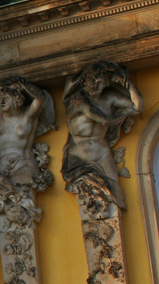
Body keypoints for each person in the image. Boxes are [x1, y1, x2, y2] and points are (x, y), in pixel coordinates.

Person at [61, 62, 142, 209]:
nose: (97, 86)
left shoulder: (109, 98)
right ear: (85, 82)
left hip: (103, 153)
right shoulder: (78, 101)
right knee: (92, 203)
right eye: (93, 82)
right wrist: (125, 113)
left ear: (105, 83)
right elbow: (104, 120)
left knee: (116, 195)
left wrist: (127, 83)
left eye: (100, 83)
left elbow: (138, 106)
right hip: (80, 158)